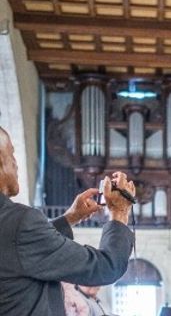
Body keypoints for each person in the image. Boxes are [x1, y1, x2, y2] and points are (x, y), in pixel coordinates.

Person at [0, 126, 135, 316]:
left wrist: (69, 218)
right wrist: (119, 212)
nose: (16, 164)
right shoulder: (20, 223)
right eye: (12, 155)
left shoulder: (12, 227)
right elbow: (106, 267)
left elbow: (15, 248)